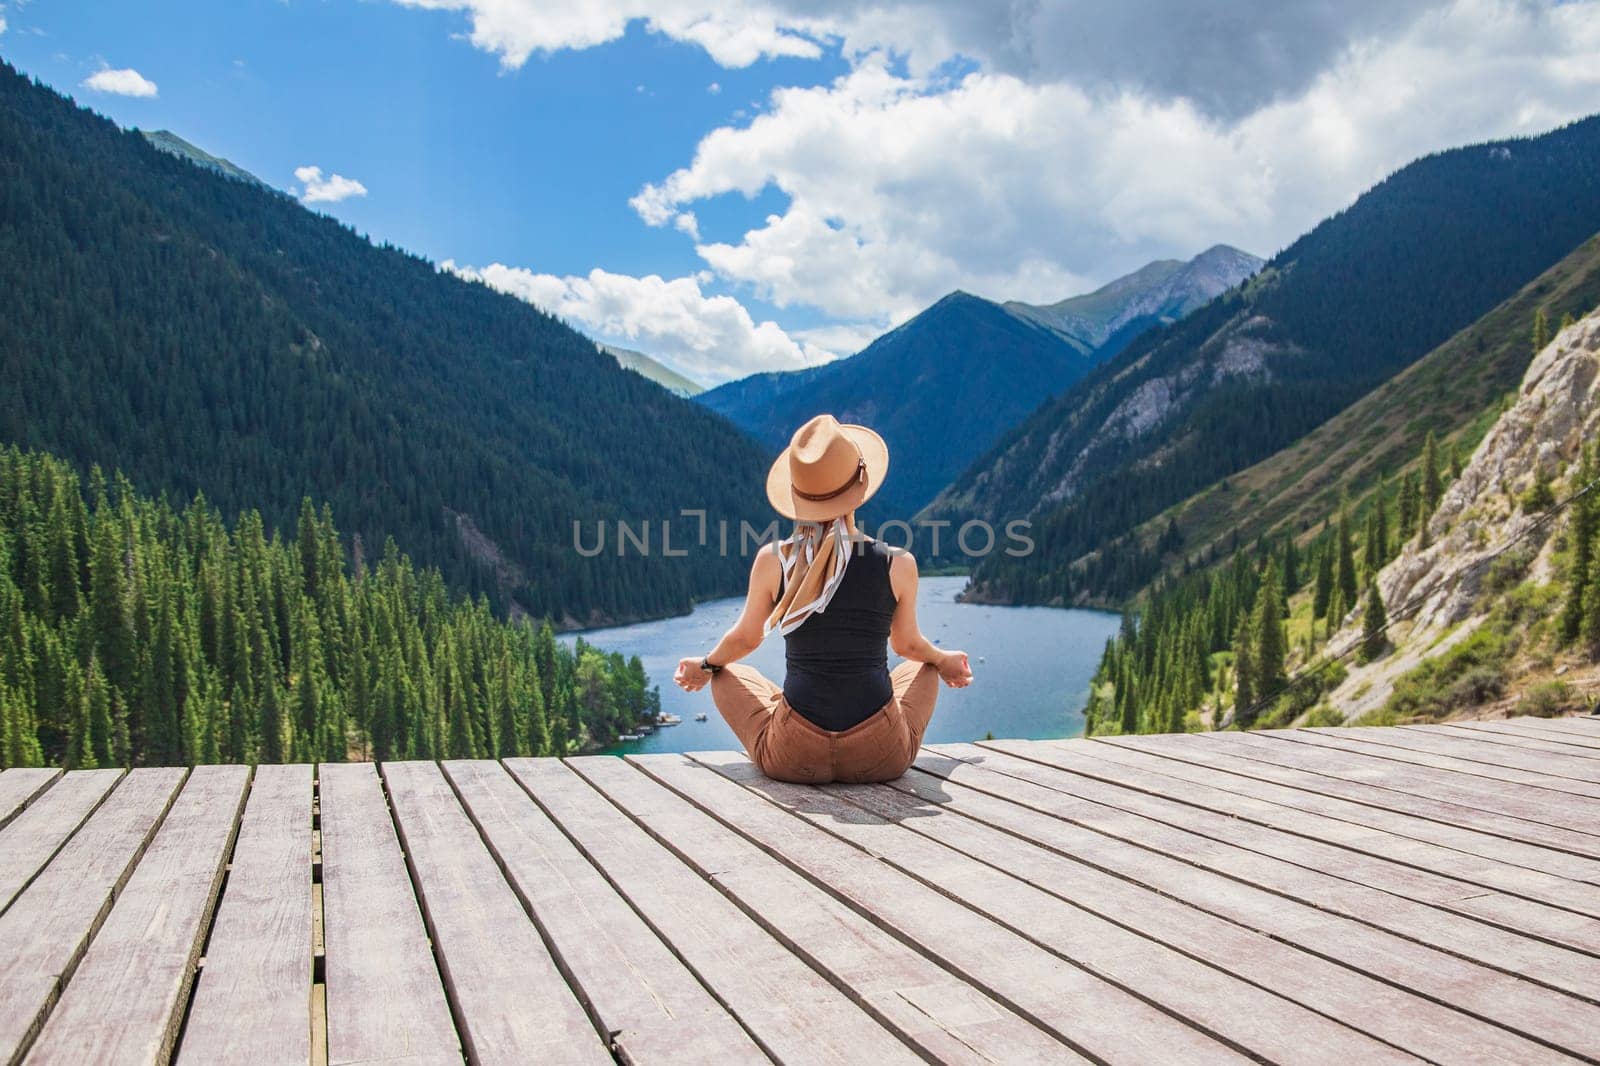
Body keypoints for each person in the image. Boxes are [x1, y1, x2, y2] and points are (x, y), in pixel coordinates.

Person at [674, 414, 973, 783]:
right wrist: (945, 661)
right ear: (860, 488)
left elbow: (745, 639)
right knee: (924, 665)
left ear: (796, 495)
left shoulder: (774, 559)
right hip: (879, 757)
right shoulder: (898, 563)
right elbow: (908, 644)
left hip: (794, 757)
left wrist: (703, 666)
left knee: (726, 672)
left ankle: (781, 711)